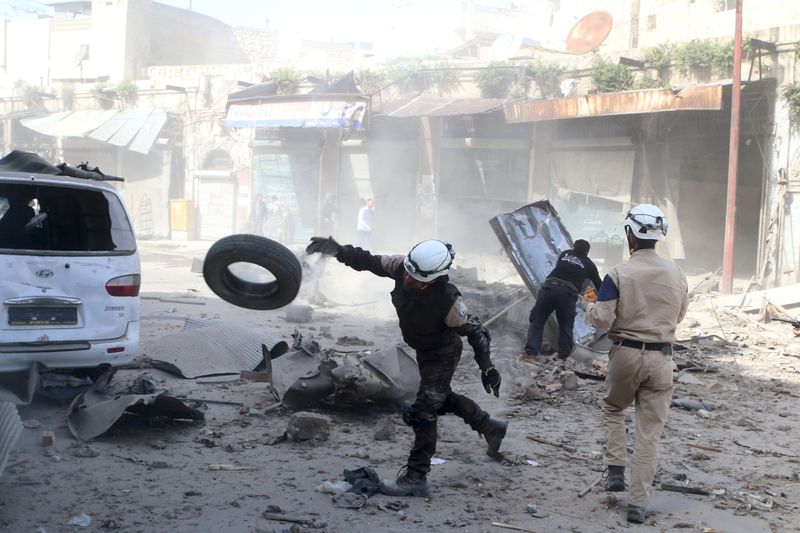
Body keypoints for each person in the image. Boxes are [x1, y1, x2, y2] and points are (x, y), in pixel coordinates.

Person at [305, 236, 506, 497]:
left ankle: (416, 478)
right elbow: (367, 260)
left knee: (423, 412)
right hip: (423, 349)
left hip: (442, 354)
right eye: (408, 276)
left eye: (417, 281)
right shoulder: (402, 266)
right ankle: (490, 427)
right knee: (441, 400)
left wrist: (487, 368)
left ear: (435, 278)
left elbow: (478, 332)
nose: (408, 282)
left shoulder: (450, 301)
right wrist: (338, 250)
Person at [584, 204, 688, 524]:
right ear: (658, 237)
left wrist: (588, 305)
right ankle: (638, 505)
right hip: (662, 358)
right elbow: (680, 315)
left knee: (614, 408)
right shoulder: (677, 273)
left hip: (625, 354)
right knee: (649, 434)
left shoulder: (617, 273)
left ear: (630, 234)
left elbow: (602, 320)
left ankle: (615, 469)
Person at [522, 239, 602, 360]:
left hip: (549, 288)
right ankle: (563, 357)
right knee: (565, 324)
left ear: (573, 247)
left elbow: (566, 269)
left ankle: (530, 353)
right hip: (567, 293)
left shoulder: (565, 254)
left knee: (537, 321)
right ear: (587, 252)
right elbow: (598, 283)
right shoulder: (589, 263)